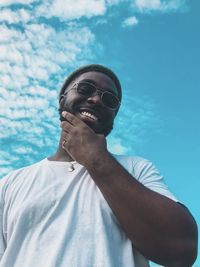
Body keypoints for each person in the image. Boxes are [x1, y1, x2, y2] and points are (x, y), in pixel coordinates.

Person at [0, 64, 197, 267]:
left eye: (109, 99)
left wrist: (97, 160)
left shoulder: (137, 169)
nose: (95, 99)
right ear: (62, 99)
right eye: (85, 89)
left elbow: (182, 249)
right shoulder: (9, 184)